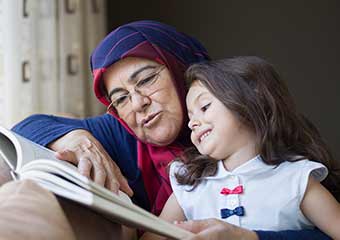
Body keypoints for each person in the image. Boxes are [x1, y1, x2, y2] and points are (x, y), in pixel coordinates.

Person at [9, 21, 333, 239]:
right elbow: (26, 128)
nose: (137, 103)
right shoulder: (121, 133)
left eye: (147, 80)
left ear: (182, 69)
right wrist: (77, 137)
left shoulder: (257, 133)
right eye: (120, 98)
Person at [141, 57, 340, 240]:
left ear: (251, 101)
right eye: (191, 117)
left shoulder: (297, 179)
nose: (192, 124)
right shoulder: (190, 183)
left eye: (204, 107)